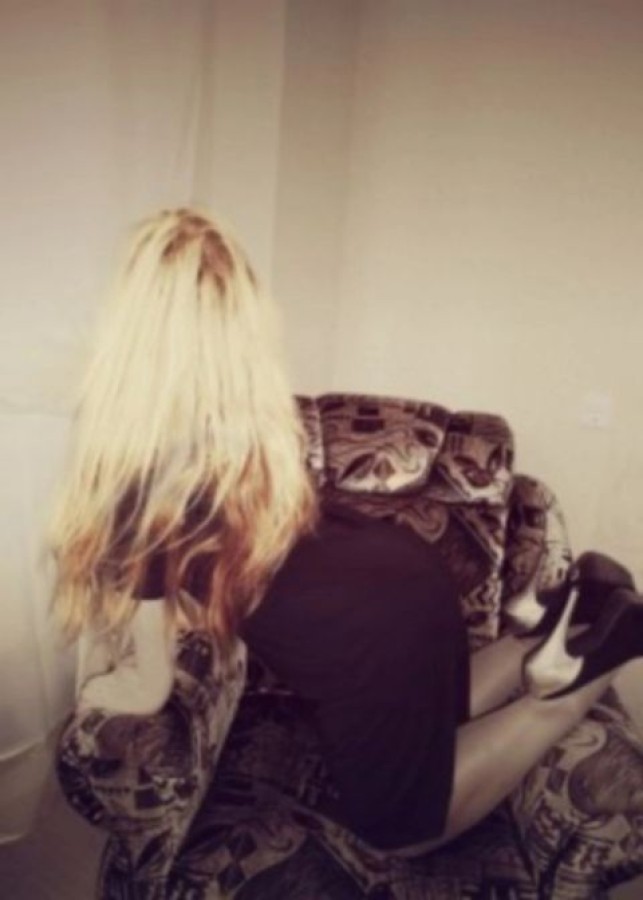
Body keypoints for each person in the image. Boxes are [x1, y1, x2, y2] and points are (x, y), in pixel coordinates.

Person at [49, 207, 643, 856]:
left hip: (366, 630)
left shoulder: (135, 470)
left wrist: (105, 688)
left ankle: (580, 676)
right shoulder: (242, 420)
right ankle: (566, 611)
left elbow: (150, 684)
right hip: (403, 573)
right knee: (437, 721)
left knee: (399, 831)